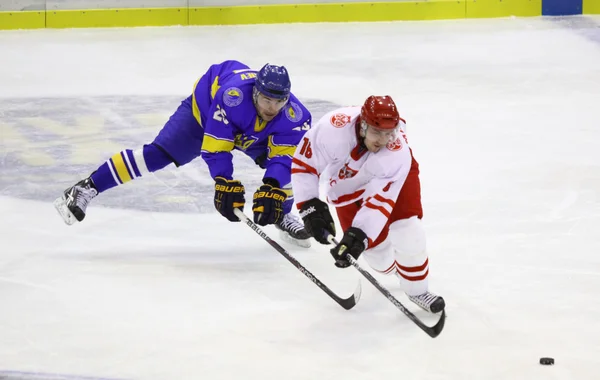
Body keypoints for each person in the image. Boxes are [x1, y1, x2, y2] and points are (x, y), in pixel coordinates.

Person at [54, 60, 312, 247]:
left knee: (294, 166)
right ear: (255, 92)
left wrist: (272, 186)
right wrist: (224, 180)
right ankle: (87, 187)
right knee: (157, 155)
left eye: (279, 101)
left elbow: (285, 158)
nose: (273, 108)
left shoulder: (294, 116)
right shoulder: (231, 97)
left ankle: (284, 213)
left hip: (249, 128)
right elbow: (216, 148)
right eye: (267, 100)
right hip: (204, 114)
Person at [291, 95, 445, 312]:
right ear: (363, 125)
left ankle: (418, 290)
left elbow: (380, 202)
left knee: (408, 229)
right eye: (376, 132)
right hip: (348, 186)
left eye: (388, 133)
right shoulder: (333, 129)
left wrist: (359, 235)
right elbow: (305, 165)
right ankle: (399, 268)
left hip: (393, 177)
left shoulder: (396, 152)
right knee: (379, 258)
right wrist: (309, 206)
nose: (383, 140)